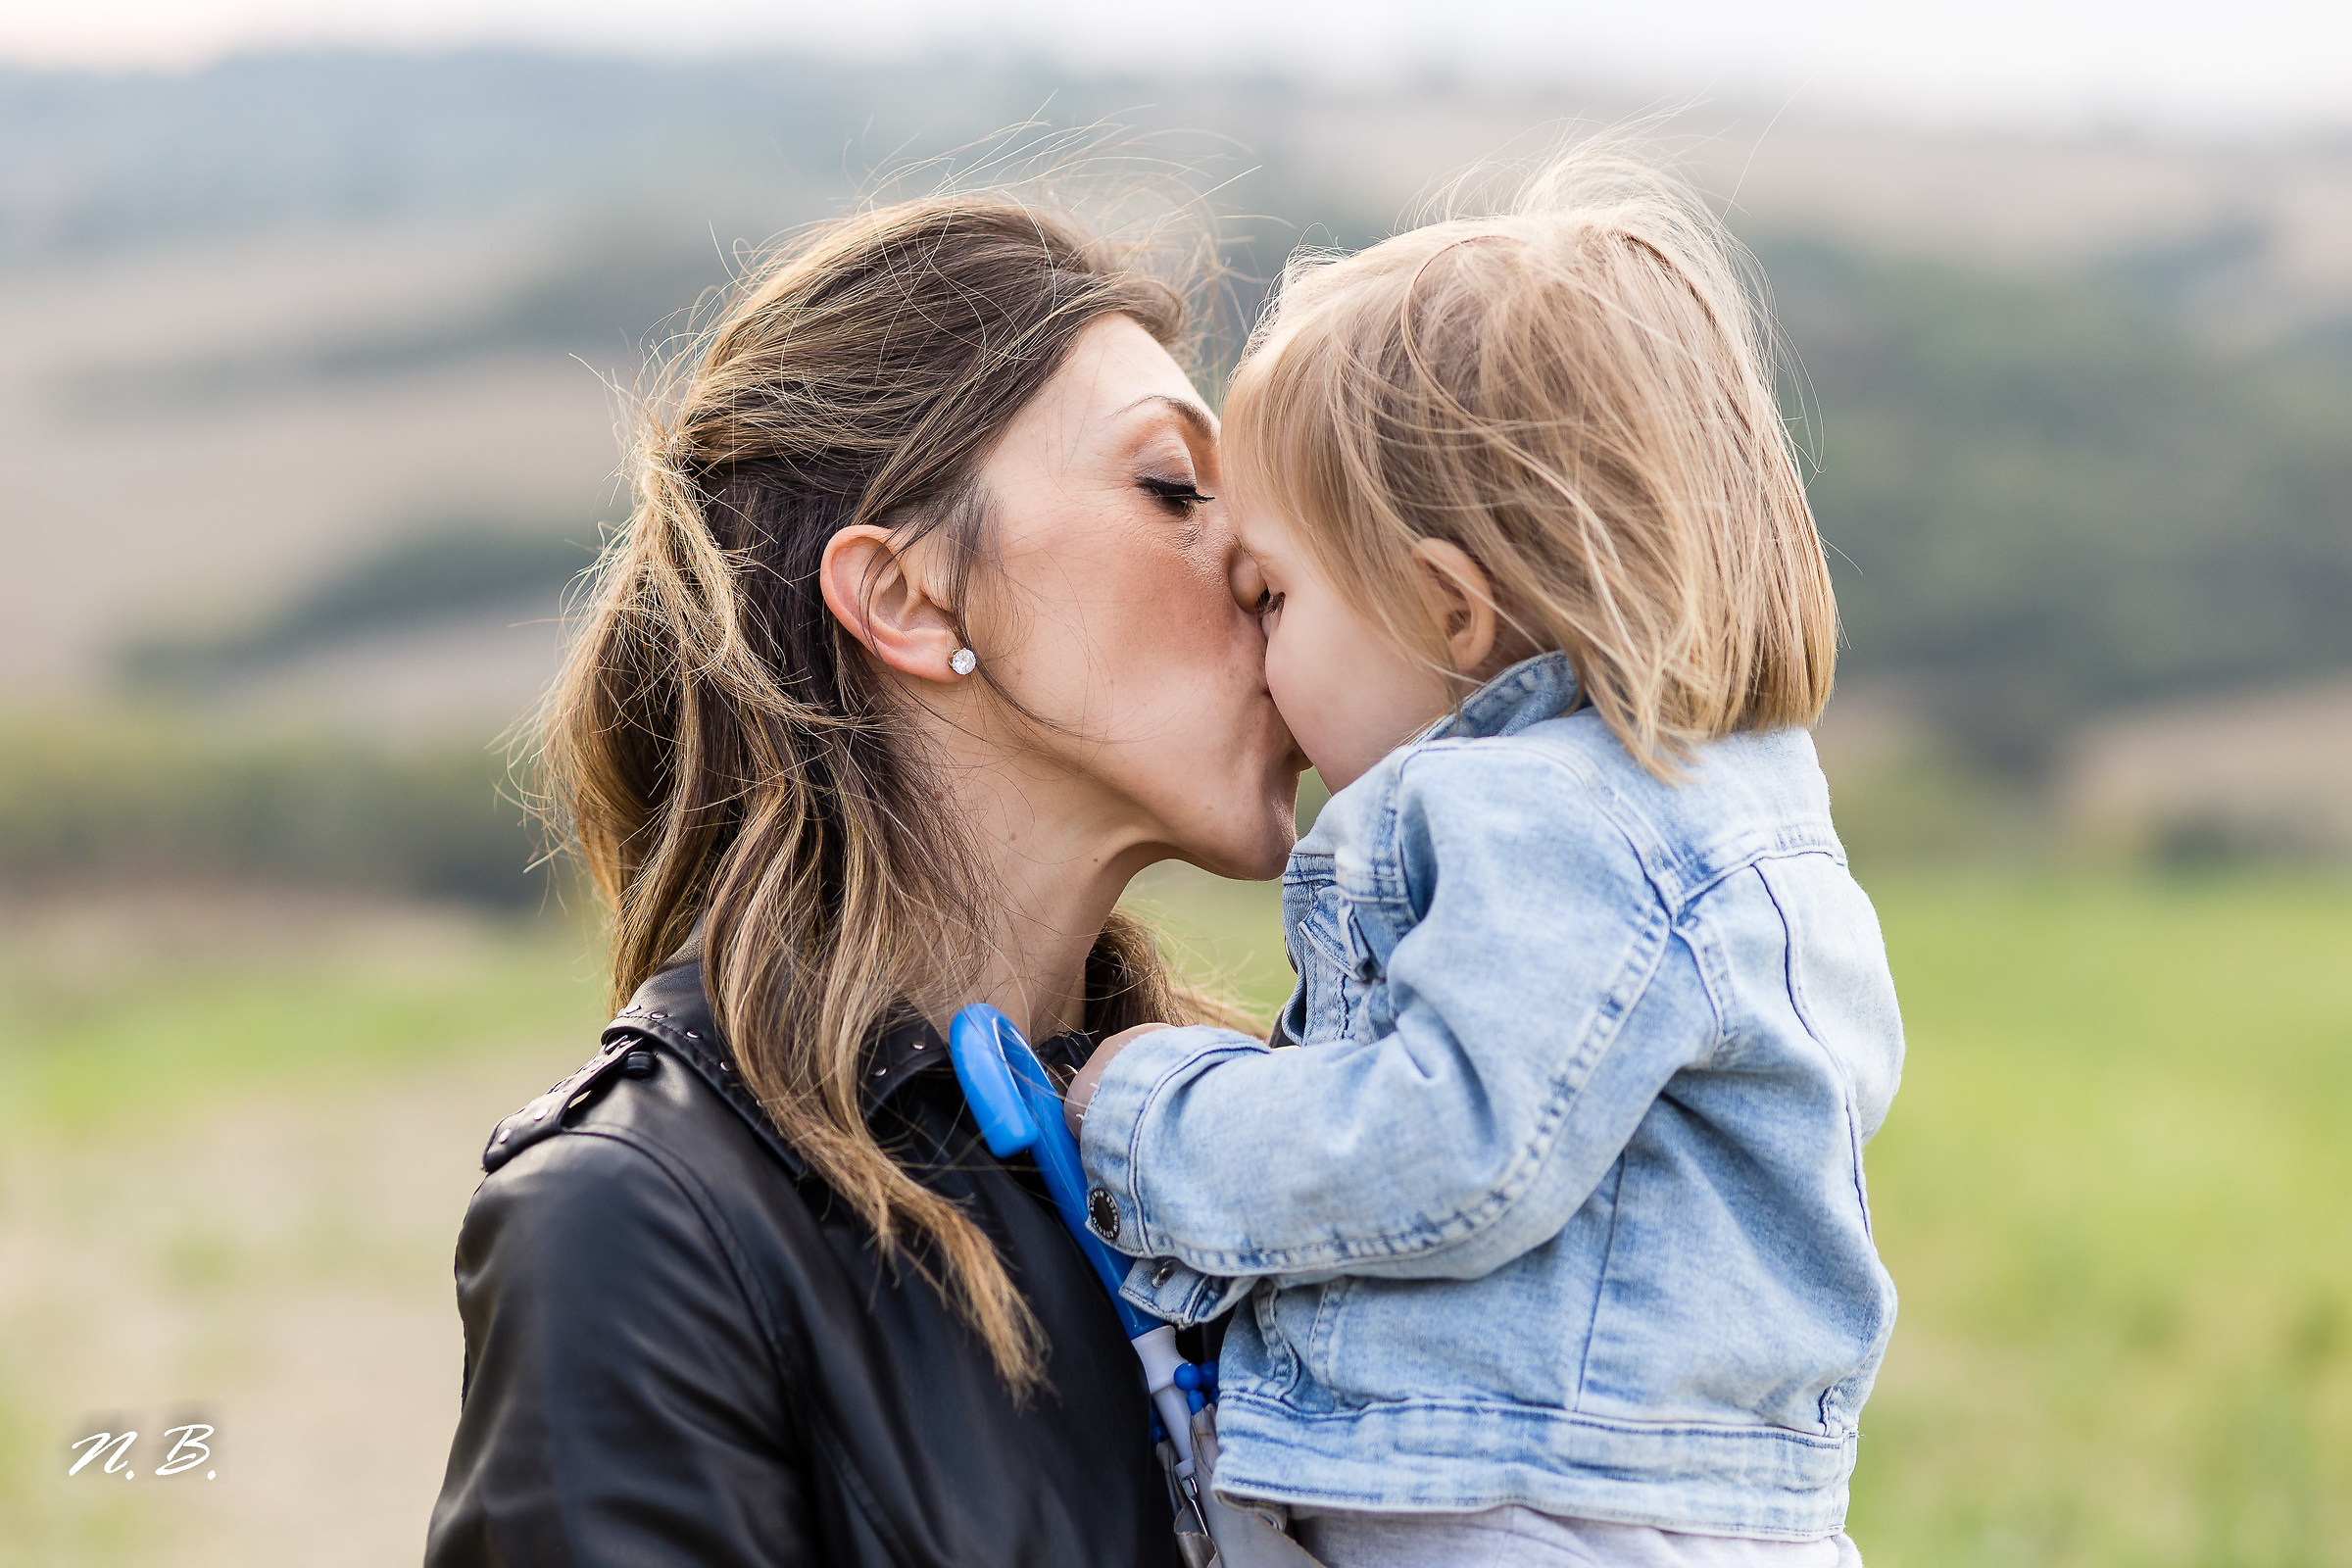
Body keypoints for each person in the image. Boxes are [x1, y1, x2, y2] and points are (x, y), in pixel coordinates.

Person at [424, 190, 1303, 1568]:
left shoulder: (1263, 1136)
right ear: (907, 597)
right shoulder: (639, 1226)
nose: (1265, 561)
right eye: (1174, 488)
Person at [1064, 147, 1904, 1566]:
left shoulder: (1548, 812)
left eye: (1273, 596)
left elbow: (1448, 1148)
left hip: (1534, 1512)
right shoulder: (1714, 809)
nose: (1255, 650)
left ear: (1448, 609)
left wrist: (1151, 1118)